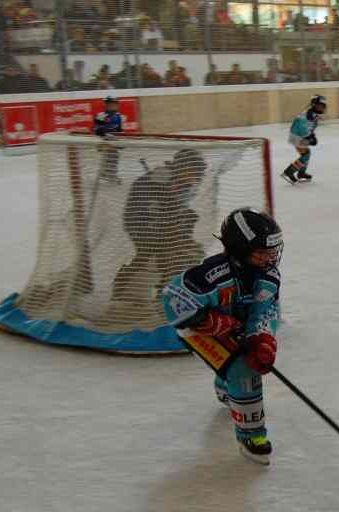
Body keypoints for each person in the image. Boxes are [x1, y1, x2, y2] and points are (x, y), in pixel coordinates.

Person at [161, 208, 282, 464]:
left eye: (273, 250)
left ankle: (227, 384)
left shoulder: (269, 276)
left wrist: (261, 338)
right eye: (263, 252)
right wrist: (209, 321)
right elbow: (172, 298)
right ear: (241, 250)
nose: (271, 257)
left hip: (235, 326)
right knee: (243, 370)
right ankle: (252, 436)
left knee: (247, 359)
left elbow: (265, 311)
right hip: (197, 331)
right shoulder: (213, 275)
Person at [114, 149, 208, 298]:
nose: (194, 176)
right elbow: (150, 205)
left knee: (170, 254)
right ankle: (131, 286)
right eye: (191, 171)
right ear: (182, 166)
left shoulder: (185, 183)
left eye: (197, 172)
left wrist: (181, 221)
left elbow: (178, 208)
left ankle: (163, 287)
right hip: (141, 222)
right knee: (158, 254)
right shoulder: (163, 176)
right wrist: (165, 217)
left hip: (160, 222)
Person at [282, 94, 326, 185]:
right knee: (305, 155)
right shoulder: (308, 115)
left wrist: (312, 135)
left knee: (306, 154)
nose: (322, 108)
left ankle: (301, 173)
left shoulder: (312, 114)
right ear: (314, 105)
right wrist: (309, 137)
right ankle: (289, 172)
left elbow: (310, 126)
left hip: (299, 135)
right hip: (297, 136)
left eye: (323, 106)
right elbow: (302, 127)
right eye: (320, 105)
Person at [94, 96, 124, 181]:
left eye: (115, 104)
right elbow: (97, 131)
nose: (114, 106)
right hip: (103, 141)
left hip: (113, 141)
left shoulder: (118, 116)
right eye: (112, 104)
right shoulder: (101, 116)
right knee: (111, 154)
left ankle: (110, 174)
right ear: (107, 105)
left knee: (115, 155)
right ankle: (107, 174)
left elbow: (119, 131)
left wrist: (119, 140)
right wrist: (109, 136)